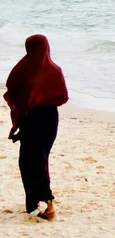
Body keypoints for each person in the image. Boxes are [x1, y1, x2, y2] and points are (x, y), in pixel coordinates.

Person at [4, 34, 69, 220]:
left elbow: (13, 91)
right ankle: (41, 203)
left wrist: (20, 117)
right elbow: (63, 97)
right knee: (40, 160)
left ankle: (44, 204)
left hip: (31, 119)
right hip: (49, 119)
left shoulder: (21, 69)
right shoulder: (54, 70)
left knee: (29, 161)